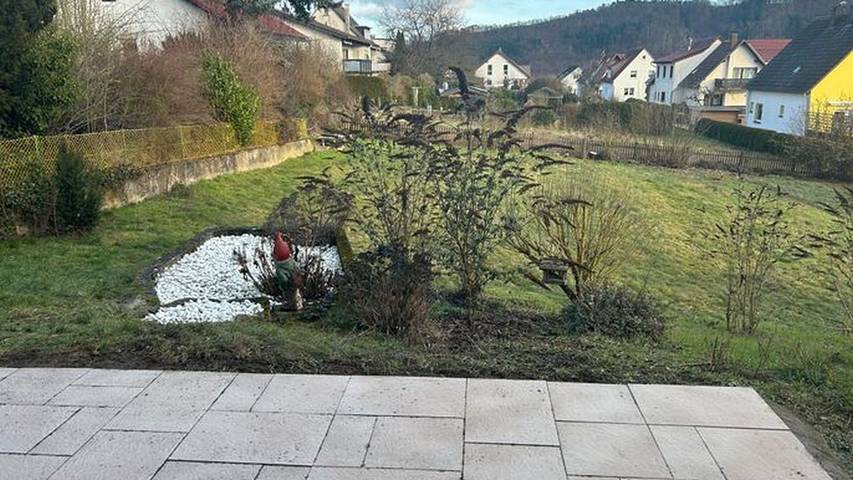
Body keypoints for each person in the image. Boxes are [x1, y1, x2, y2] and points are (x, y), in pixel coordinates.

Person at [273, 232, 304, 311]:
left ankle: (292, 306)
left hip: (289, 285)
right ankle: (299, 304)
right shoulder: (291, 261)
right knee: (297, 293)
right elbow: (297, 268)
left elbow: (283, 279)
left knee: (290, 296)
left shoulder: (279, 268)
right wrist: (300, 273)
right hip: (296, 281)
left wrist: (284, 286)